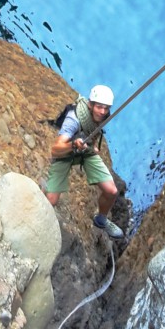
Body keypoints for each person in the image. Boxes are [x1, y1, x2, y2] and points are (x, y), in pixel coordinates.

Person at [45, 84, 124, 239]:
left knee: (112, 191)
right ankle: (41, 195)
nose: (102, 112)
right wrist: (73, 145)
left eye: (106, 108)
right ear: (90, 105)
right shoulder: (73, 119)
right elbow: (56, 149)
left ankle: (101, 219)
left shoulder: (102, 116)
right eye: (99, 107)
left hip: (85, 151)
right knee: (51, 201)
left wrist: (91, 147)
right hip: (67, 152)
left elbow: (92, 133)